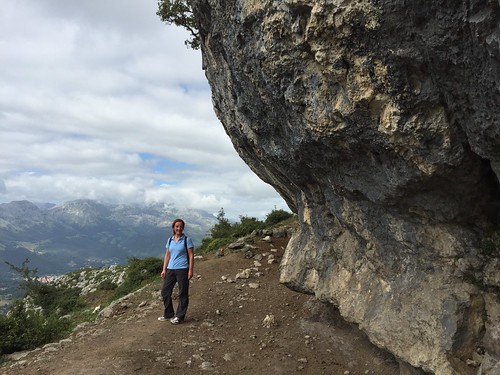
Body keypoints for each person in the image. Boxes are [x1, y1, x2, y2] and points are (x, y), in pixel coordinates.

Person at [158, 218, 194, 324]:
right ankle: (168, 314)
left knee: (183, 293)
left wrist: (190, 270)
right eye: (177, 226)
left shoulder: (187, 240)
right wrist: (164, 269)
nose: (179, 228)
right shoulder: (170, 240)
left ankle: (179, 316)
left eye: (181, 226)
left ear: (183, 228)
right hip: (170, 269)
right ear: (173, 228)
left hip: (182, 269)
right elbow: (167, 254)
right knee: (165, 291)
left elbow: (191, 255)